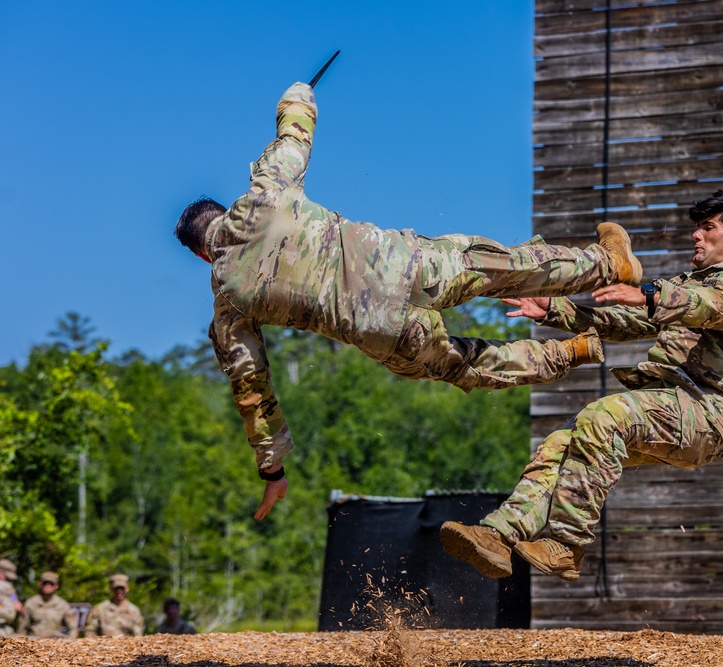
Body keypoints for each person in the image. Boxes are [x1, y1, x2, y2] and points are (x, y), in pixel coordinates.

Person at [175, 80, 644, 520]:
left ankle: (570, 352)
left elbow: (252, 392)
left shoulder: (228, 305)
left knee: (463, 365)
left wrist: (272, 471)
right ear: (221, 211)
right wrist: (299, 94)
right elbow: (295, 134)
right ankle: (609, 264)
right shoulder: (263, 194)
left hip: (380, 329)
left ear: (201, 254)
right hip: (402, 264)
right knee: (507, 268)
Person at [440, 189, 723, 581]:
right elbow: (627, 322)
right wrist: (556, 310)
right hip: (669, 406)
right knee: (563, 442)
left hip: (706, 415)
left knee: (604, 415)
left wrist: (649, 292)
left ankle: (565, 545)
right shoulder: (687, 285)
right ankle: (498, 535)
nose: (696, 236)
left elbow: (711, 306)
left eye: (707, 228)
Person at [18, 571, 77, 638]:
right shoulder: (31, 603)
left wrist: (71, 642)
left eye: (51, 584)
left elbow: (73, 627)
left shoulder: (63, 605)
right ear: (40, 584)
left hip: (55, 641)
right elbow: (22, 627)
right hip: (35, 641)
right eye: (45, 583)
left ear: (56, 586)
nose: (48, 586)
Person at [0, 559, 20, 637]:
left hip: (5, 628)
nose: (9, 581)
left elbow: (13, 597)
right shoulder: (4, 585)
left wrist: (15, 602)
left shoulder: (8, 587)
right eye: (7, 577)